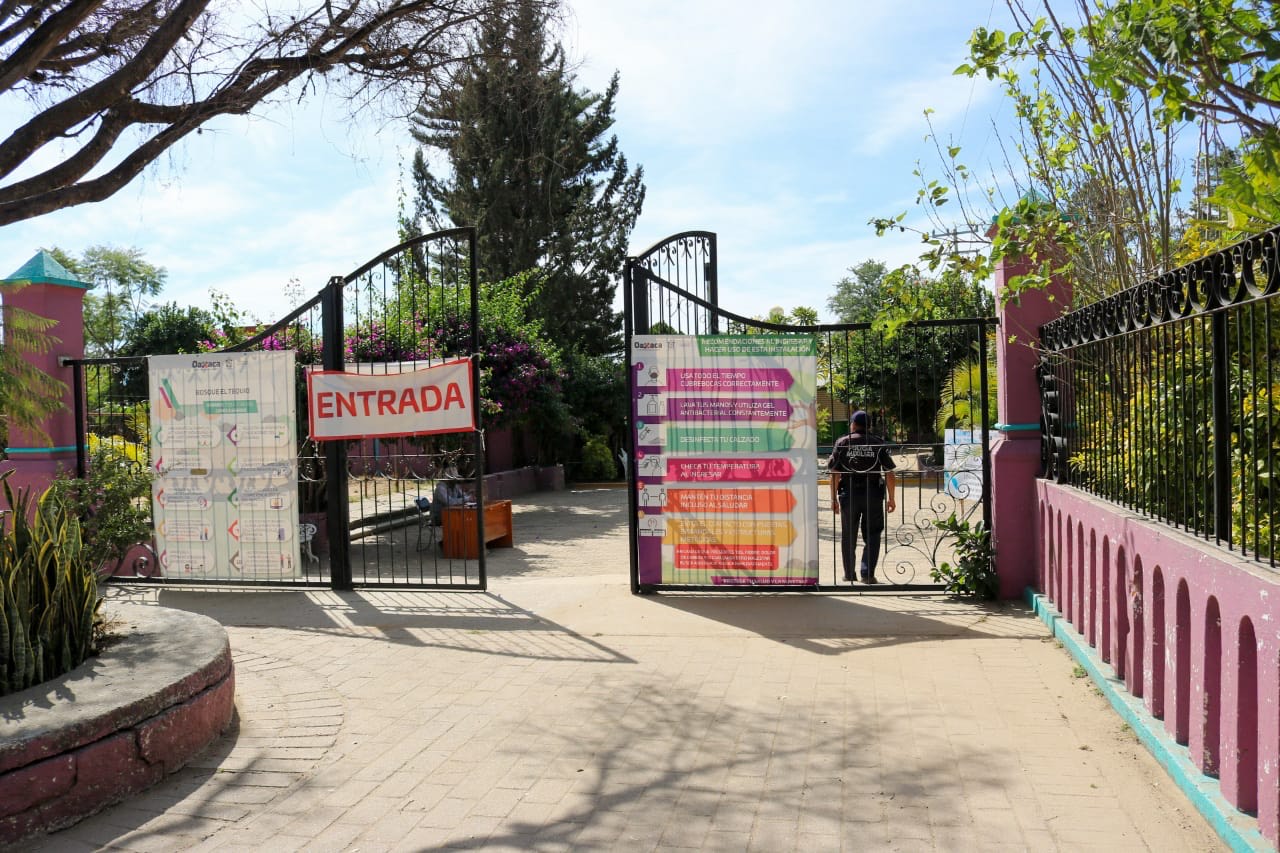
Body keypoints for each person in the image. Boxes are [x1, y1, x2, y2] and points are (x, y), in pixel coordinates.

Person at [827, 410, 897, 584]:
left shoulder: (843, 442)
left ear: (853, 424)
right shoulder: (877, 443)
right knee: (873, 534)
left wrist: (833, 499)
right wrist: (892, 498)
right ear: (869, 426)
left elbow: (834, 473)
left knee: (848, 534)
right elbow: (889, 472)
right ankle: (867, 574)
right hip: (873, 494)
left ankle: (849, 574)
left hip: (849, 494)